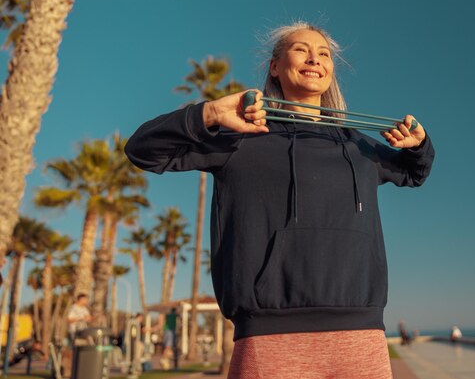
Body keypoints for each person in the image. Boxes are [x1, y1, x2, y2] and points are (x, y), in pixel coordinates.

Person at [125, 22, 435, 378]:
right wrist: (209, 114)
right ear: (275, 66)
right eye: (301, 49)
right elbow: (142, 151)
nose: (314, 59)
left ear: (332, 71)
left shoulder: (359, 146)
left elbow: (414, 172)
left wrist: (420, 144)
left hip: (361, 337)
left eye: (324, 54)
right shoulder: (243, 135)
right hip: (269, 338)